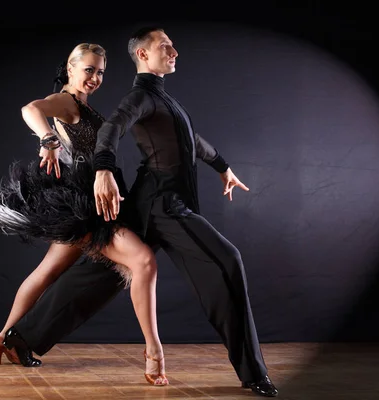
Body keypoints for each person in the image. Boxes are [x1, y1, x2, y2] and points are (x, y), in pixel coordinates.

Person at [0, 42, 168, 386]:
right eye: (89, 70)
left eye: (100, 72)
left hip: (86, 203)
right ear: (70, 68)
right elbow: (31, 108)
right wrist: (48, 139)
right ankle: (154, 351)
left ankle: (5, 336)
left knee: (47, 271)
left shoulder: (83, 104)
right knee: (141, 261)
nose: (95, 78)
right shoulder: (66, 102)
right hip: (86, 209)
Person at [90, 26, 278, 397]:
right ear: (143, 54)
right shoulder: (140, 96)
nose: (175, 51)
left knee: (95, 276)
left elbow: (192, 141)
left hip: (159, 202)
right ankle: (253, 373)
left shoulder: (164, 101)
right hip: (162, 204)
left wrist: (223, 167)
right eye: (165, 46)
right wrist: (103, 168)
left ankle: (22, 338)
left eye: (173, 46)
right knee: (227, 260)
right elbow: (111, 128)